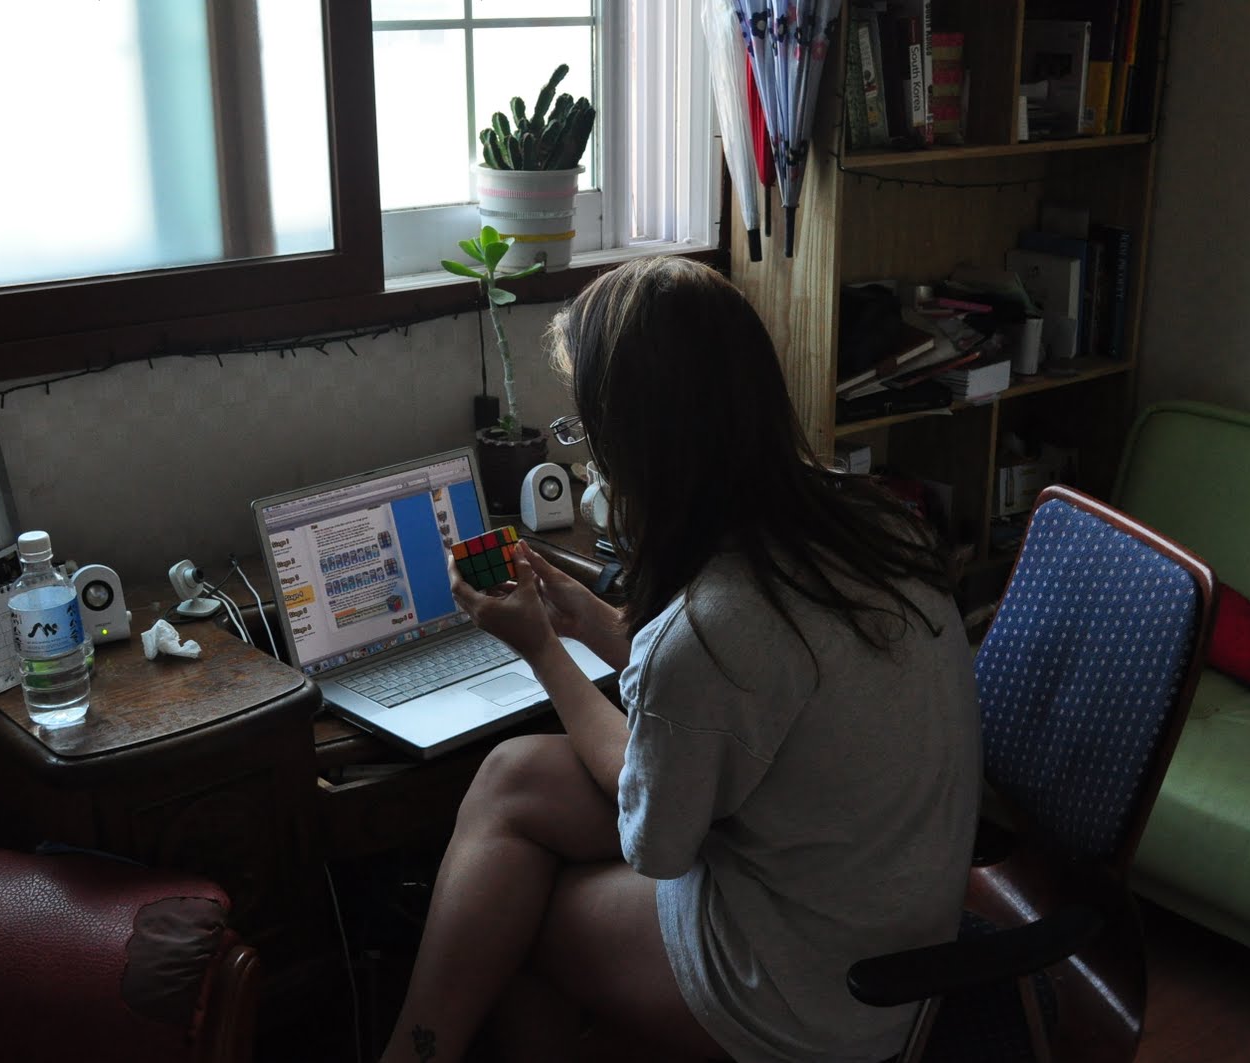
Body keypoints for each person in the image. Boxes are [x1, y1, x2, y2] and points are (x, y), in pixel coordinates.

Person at [377, 257, 982, 1063]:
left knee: (513, 911)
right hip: (886, 914)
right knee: (512, 775)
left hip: (817, 993)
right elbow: (743, 696)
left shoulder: (712, 627)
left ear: (639, 445)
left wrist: (542, 648)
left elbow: (653, 839)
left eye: (588, 435)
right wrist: (592, 621)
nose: (588, 463)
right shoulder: (871, 524)